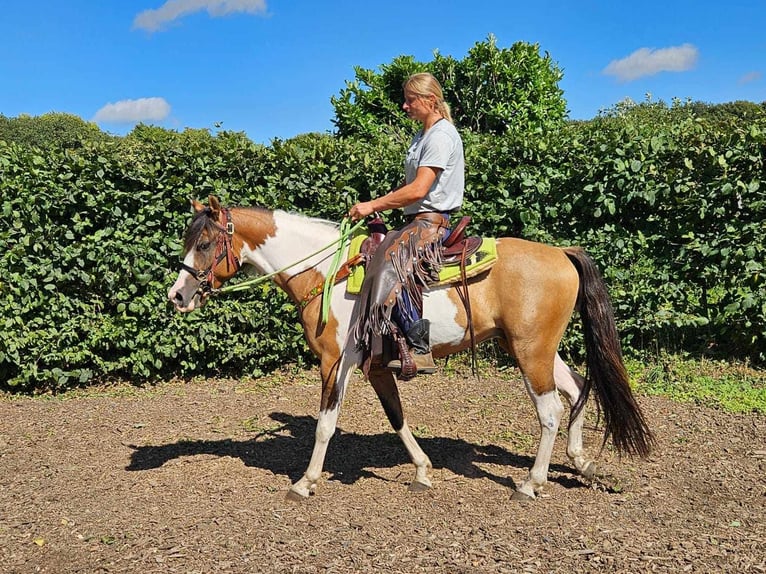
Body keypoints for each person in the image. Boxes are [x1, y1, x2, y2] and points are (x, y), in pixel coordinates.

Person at [349, 72, 465, 377]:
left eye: (410, 99)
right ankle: (385, 345)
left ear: (430, 100)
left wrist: (372, 205)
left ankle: (420, 348)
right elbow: (408, 191)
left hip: (431, 223)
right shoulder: (421, 137)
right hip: (415, 220)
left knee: (390, 264)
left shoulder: (440, 136)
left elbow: (417, 190)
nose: (405, 106)